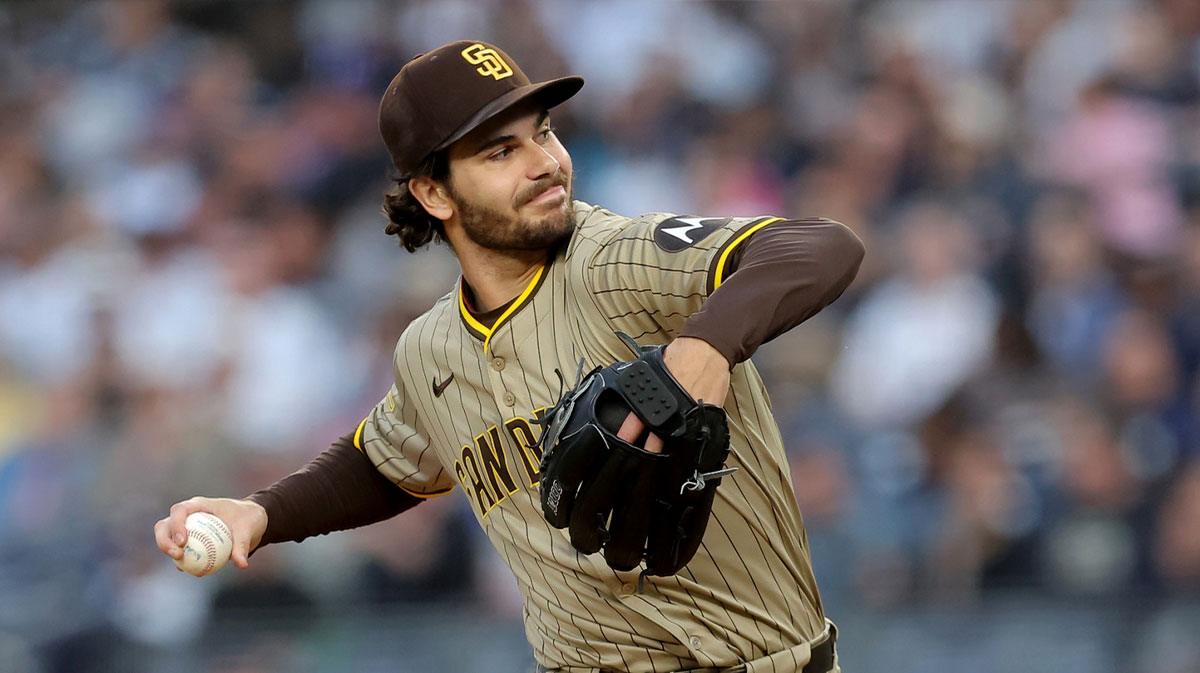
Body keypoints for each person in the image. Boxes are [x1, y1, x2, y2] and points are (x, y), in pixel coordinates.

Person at [154, 40, 864, 673]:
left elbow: (819, 247)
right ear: (433, 192)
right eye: (501, 150)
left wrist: (702, 349)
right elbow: (388, 460)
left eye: (544, 133)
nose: (545, 163)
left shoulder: (613, 259)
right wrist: (261, 514)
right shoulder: (430, 348)